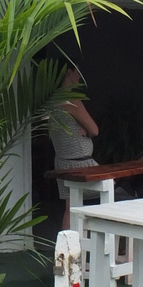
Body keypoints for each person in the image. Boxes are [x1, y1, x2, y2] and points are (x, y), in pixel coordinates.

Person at [49, 67, 100, 226]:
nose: (80, 75)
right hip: (82, 165)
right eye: (77, 71)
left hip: (63, 164)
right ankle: (109, 244)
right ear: (69, 72)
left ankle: (66, 248)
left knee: (70, 208)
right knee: (114, 187)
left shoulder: (52, 100)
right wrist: (87, 130)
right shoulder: (71, 99)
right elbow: (95, 130)